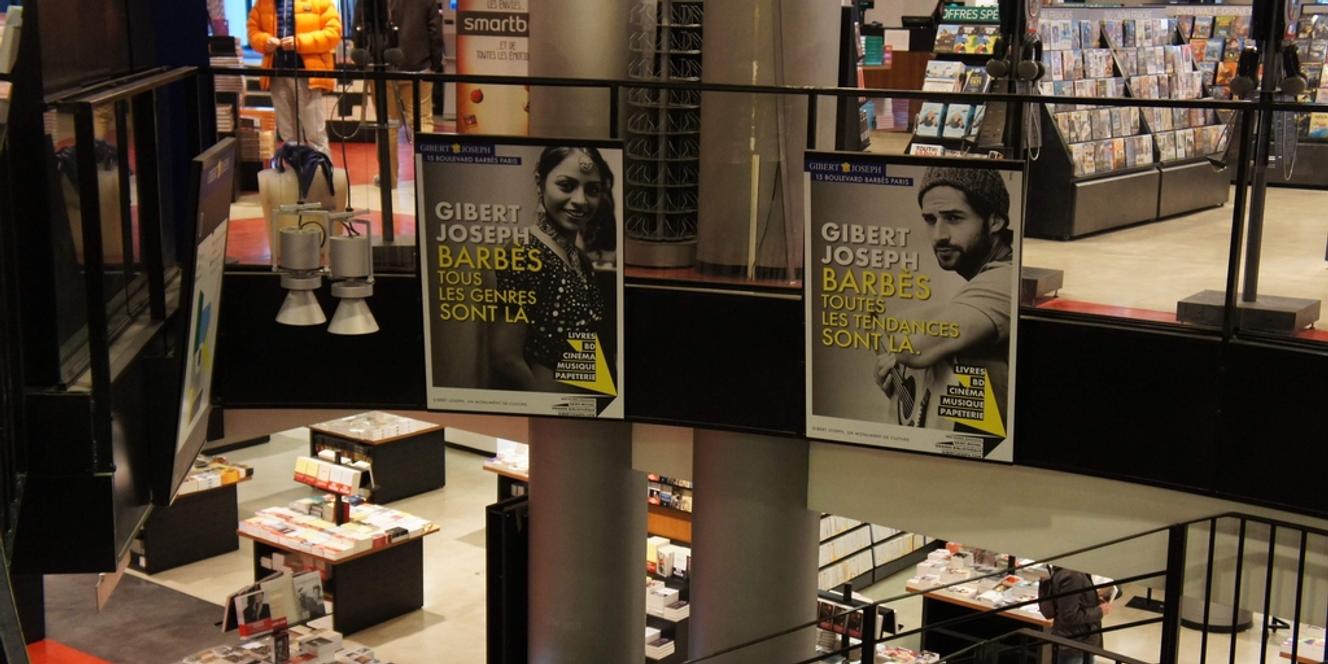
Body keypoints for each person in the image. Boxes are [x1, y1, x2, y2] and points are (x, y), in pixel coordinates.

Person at [874, 166, 1014, 431]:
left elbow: (915, 344)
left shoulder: (1006, 279)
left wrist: (894, 347)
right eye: (930, 220)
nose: (939, 235)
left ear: (995, 221)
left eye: (954, 218)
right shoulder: (982, 279)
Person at [491, 147, 616, 393]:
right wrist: (547, 405)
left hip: (589, 407)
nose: (580, 200)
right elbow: (505, 356)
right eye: (566, 186)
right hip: (555, 406)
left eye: (592, 190)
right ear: (540, 182)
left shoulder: (580, 258)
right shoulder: (525, 250)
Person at [353, 0, 444, 188]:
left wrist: (363, 60)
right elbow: (435, 31)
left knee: (387, 125)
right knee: (422, 122)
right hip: (419, 65)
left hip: (382, 66)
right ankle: (427, 176)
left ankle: (389, 178)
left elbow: (359, 28)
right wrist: (435, 64)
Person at [247, 0, 341, 156]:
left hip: (307, 75)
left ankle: (321, 177)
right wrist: (265, 41)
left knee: (315, 134)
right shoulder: (263, 3)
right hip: (277, 74)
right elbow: (253, 31)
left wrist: (299, 42)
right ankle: (295, 176)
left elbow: (333, 33)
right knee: (288, 135)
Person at [1048, 566, 1112, 663]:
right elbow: (1068, 615)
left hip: (1082, 640)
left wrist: (1093, 601)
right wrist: (1100, 611)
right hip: (1075, 643)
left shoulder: (1075, 572)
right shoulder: (1073, 576)